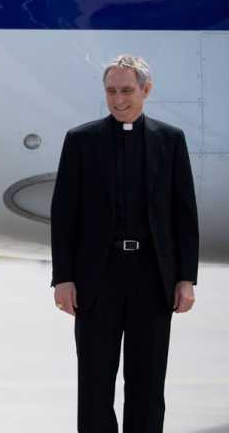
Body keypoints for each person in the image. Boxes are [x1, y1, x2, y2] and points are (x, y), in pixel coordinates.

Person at [51, 54, 198, 432]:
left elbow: (184, 214)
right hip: (96, 280)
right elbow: (65, 215)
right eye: (111, 91)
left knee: (147, 383)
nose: (118, 99)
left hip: (152, 277)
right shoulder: (81, 141)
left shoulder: (170, 141)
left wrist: (186, 278)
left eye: (127, 90)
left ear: (146, 90)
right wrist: (63, 278)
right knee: (95, 383)